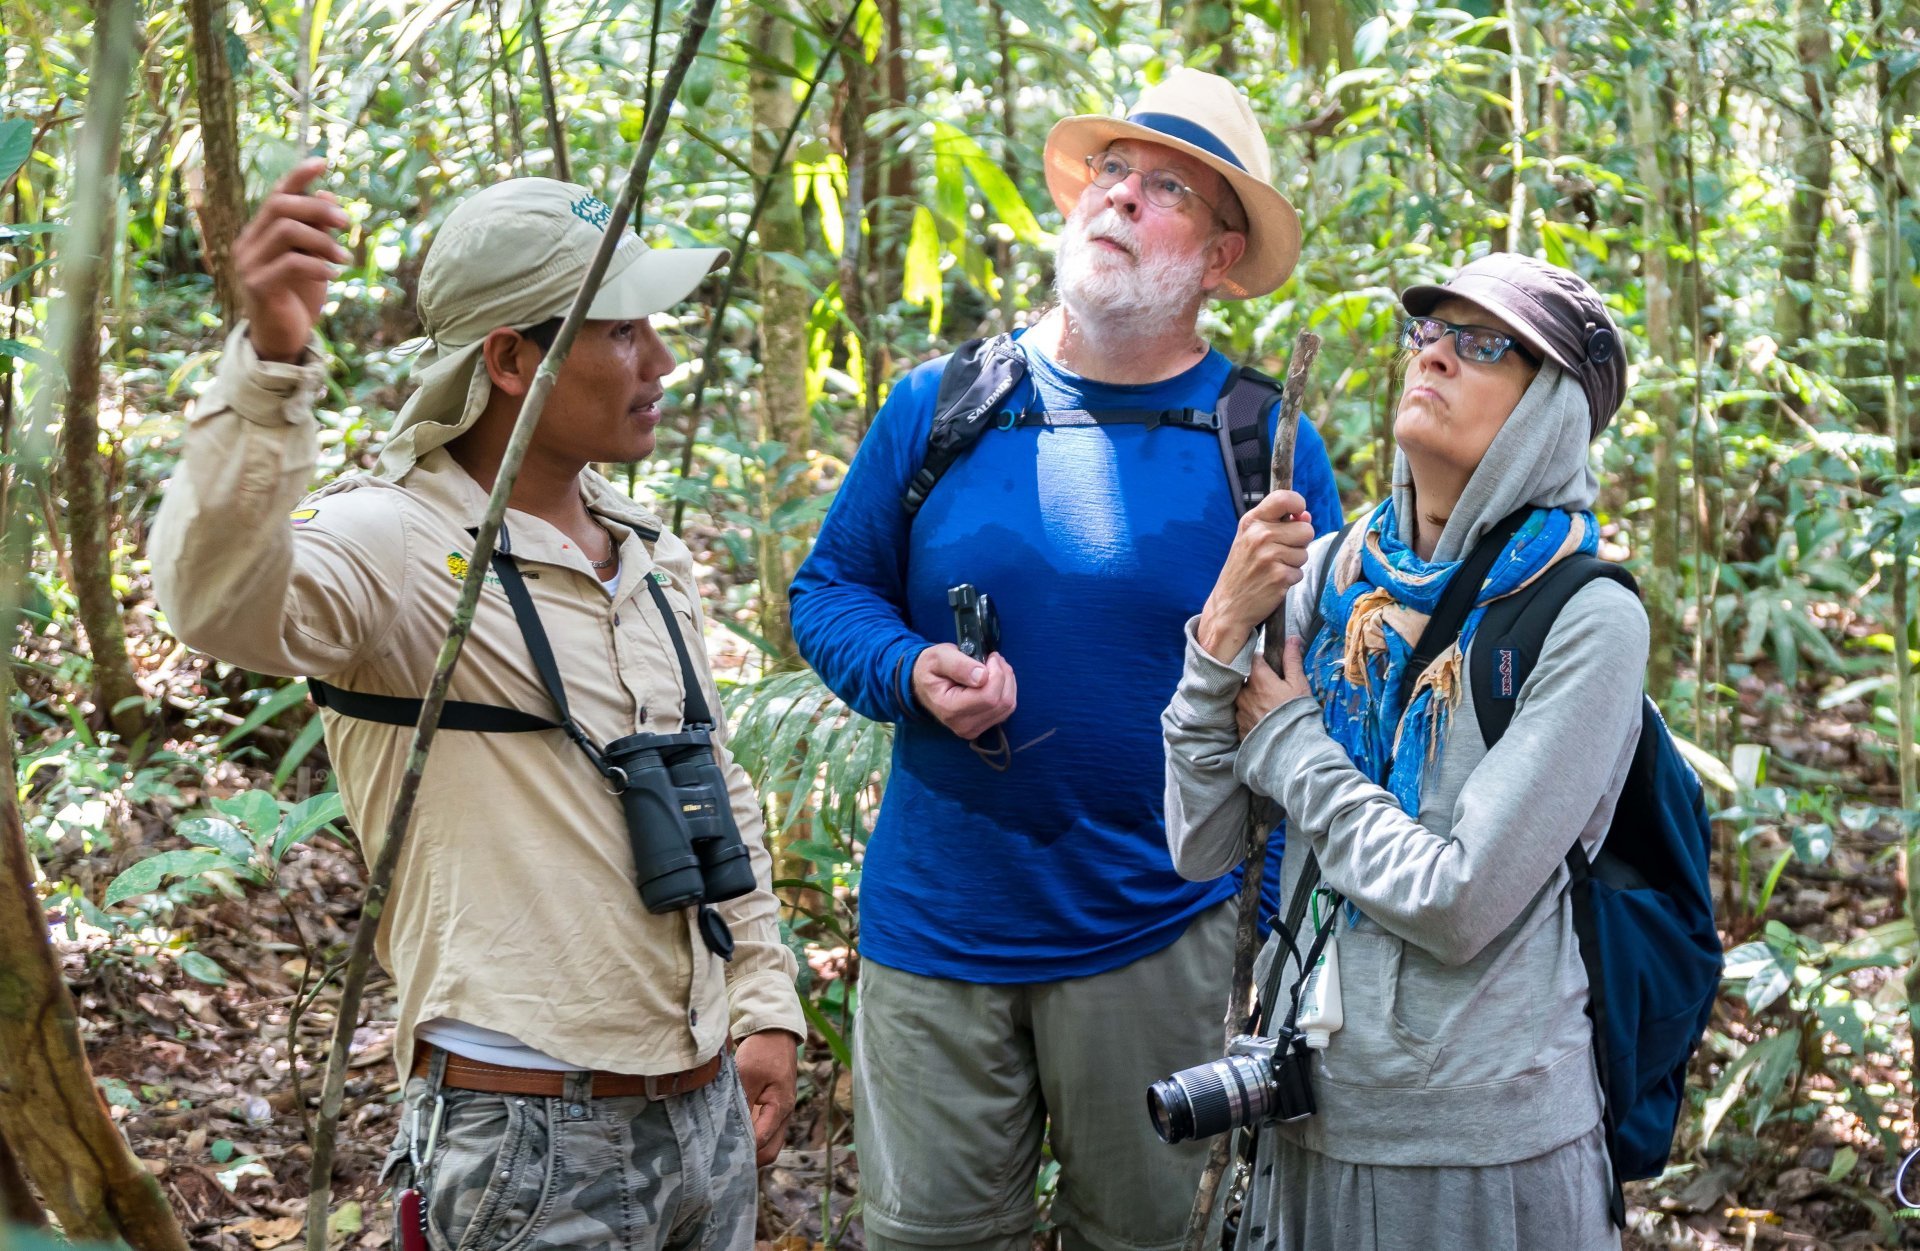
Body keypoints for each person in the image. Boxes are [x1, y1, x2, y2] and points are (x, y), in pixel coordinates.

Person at [151, 164, 804, 1251]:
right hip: (527, 1135)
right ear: (509, 359)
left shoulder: (646, 551)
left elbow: (714, 786)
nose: (663, 363)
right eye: (622, 333)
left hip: (704, 1112)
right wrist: (268, 367)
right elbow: (216, 603)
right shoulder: (396, 544)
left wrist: (765, 1003)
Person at [788, 69, 1341, 1251]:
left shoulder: (1265, 441)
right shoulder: (945, 404)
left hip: (1162, 932)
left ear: (1222, 255)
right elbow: (828, 590)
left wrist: (1277, 942)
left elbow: (1313, 704)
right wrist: (907, 669)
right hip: (938, 925)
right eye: (1113, 174)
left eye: (1169, 191)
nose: (1123, 201)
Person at [1162, 252, 1638, 1251]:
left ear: (1550, 404)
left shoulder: (1585, 613)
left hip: (1480, 1144)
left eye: (1482, 345)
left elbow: (1456, 900)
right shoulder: (1335, 575)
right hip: (1309, 1108)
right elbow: (1202, 843)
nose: (1435, 358)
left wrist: (1291, 741)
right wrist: (1219, 635)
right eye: (1427, 334)